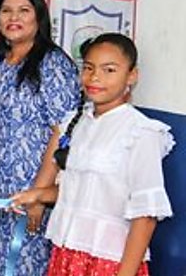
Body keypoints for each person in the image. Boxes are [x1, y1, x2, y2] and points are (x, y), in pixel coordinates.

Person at [11, 33, 174, 276]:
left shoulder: (141, 132)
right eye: (88, 68)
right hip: (66, 255)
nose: (95, 77)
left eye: (109, 70)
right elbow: (81, 190)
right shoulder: (77, 123)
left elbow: (146, 216)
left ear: (132, 75)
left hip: (109, 263)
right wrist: (37, 194)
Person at [0, 0, 80, 276]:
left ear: (39, 17)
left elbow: (63, 132)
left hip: (32, 192)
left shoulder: (53, 63)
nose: (14, 17)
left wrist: (40, 192)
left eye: (24, 11)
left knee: (24, 265)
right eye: (7, 11)